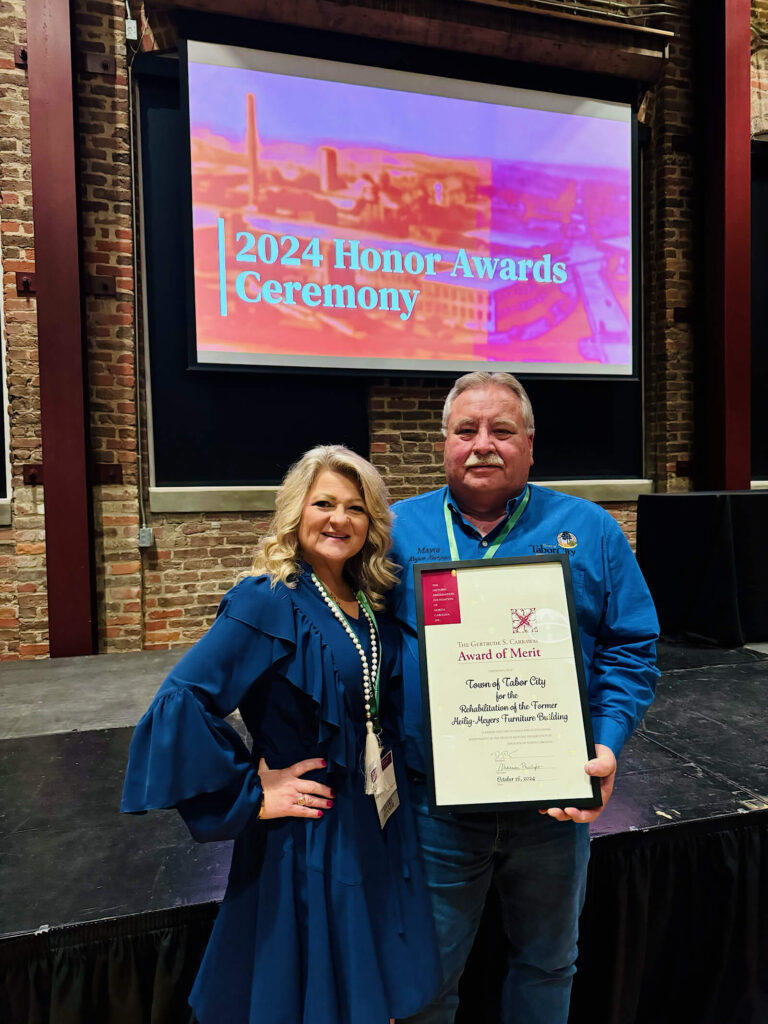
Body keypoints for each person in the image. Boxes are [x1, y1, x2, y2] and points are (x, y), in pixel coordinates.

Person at [122, 445, 441, 1024]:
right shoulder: (265, 600)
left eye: (355, 507)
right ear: (296, 512)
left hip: (375, 818)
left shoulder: (367, 600)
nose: (339, 519)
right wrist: (251, 793)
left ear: (371, 523)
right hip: (309, 833)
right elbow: (182, 700)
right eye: (324, 503)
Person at [388, 371, 659, 1024]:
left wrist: (607, 744)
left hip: (553, 807)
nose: (483, 444)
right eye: (466, 431)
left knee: (547, 966)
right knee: (427, 981)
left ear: (530, 446)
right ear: (443, 444)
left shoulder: (589, 531)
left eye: (501, 431)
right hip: (435, 808)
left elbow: (631, 648)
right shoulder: (393, 530)